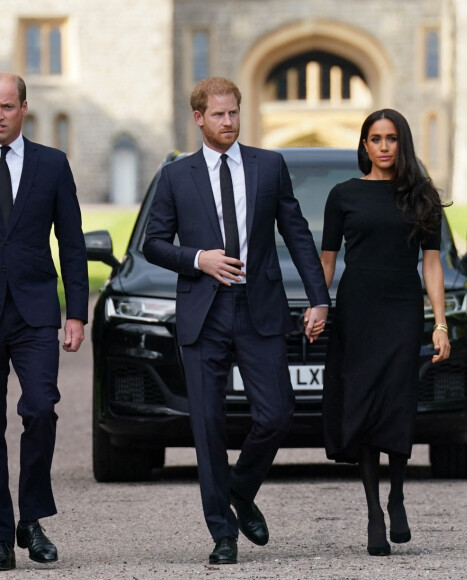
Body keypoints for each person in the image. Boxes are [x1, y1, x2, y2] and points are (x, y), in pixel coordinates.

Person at [143, 77, 329, 565]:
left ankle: (240, 490)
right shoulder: (176, 177)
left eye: (234, 113)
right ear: (199, 118)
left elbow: (298, 233)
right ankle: (222, 534)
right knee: (207, 427)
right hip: (203, 312)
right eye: (219, 115)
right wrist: (199, 258)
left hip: (258, 308)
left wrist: (319, 297)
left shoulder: (269, 166)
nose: (228, 122)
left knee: (277, 414)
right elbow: (153, 243)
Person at [317, 109, 451, 557]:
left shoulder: (422, 196)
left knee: (396, 400)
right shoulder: (343, 195)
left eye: (391, 138)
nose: (383, 146)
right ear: (364, 145)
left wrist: (440, 323)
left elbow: (431, 263)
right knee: (363, 401)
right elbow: (328, 260)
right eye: (375, 139)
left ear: (402, 143)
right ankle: (373, 509)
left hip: (402, 309)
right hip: (358, 309)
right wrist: (319, 305)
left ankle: (397, 496)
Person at [0, 73, 88, 570]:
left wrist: (76, 313)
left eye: (7, 106)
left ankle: (30, 520)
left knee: (40, 410)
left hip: (35, 311)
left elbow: (72, 244)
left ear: (24, 108)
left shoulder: (51, 164)